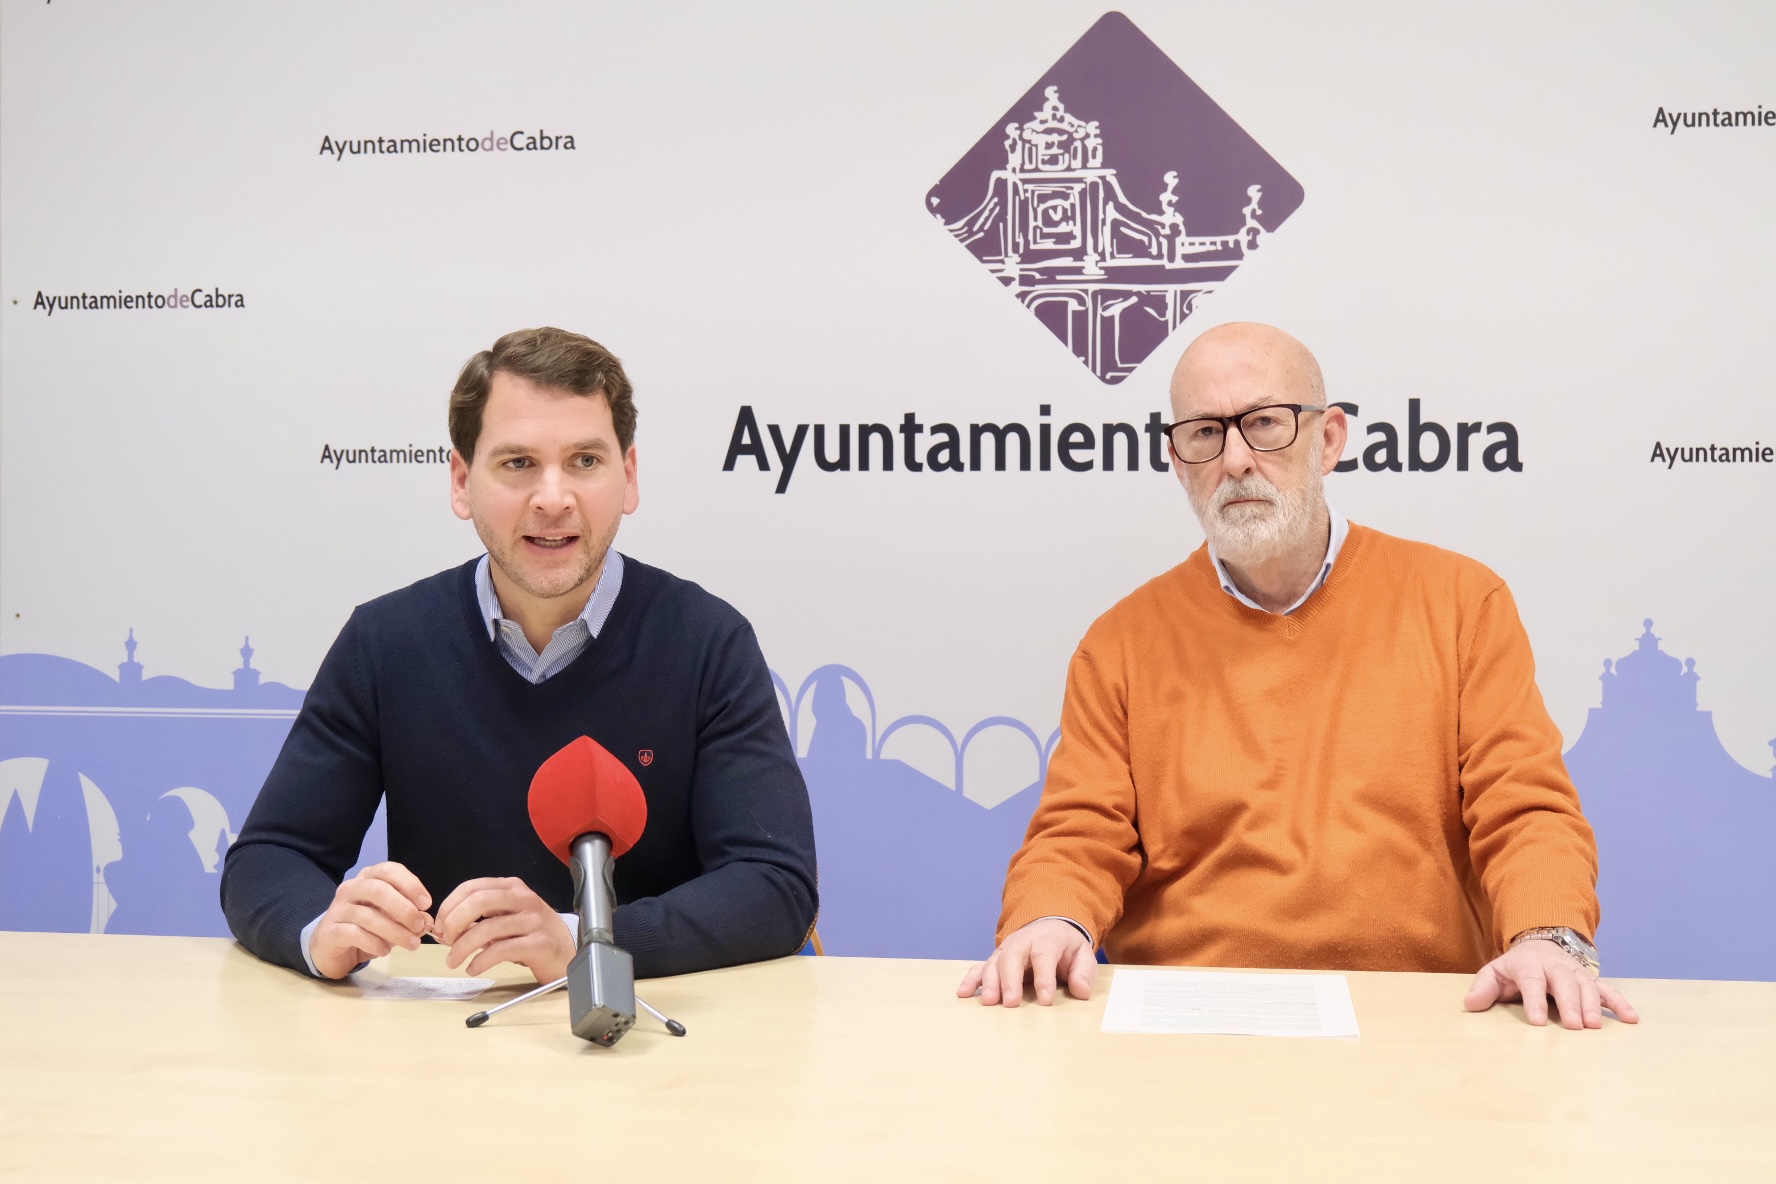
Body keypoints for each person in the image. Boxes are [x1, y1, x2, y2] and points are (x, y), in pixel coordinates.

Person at [959, 323, 1638, 1030]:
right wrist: (1050, 919)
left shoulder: (1463, 605)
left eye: (1264, 423)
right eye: (1204, 433)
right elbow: (1079, 833)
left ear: (1330, 439)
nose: (1236, 460)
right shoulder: (1119, 644)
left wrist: (1547, 937)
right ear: (1177, 460)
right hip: (1187, 1023)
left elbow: (1524, 807)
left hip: (1418, 1019)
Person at [222, 327, 817, 984]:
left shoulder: (707, 641)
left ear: (629, 477)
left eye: (585, 461)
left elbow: (774, 885)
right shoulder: (384, 642)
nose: (553, 498)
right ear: (461, 482)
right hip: (447, 1027)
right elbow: (270, 857)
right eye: (517, 463)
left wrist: (582, 942)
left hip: (656, 1028)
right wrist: (320, 932)